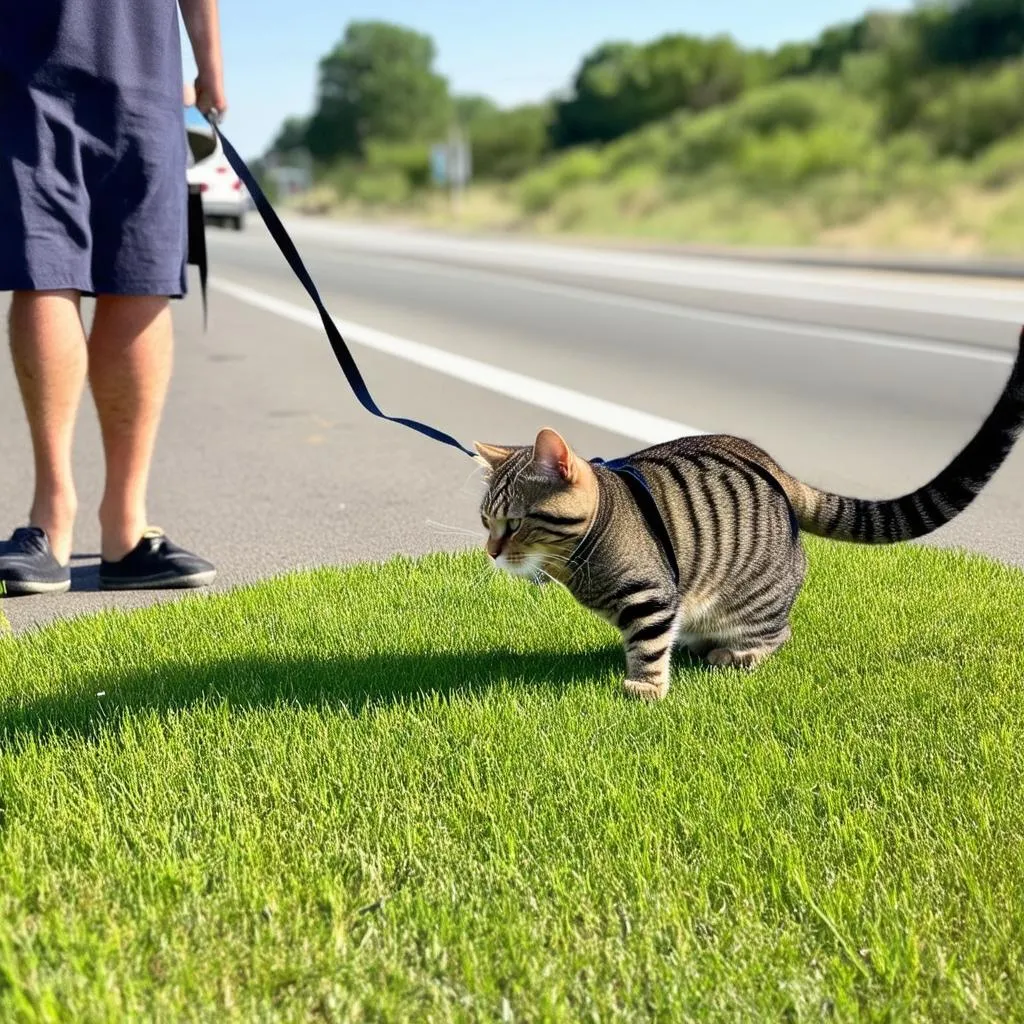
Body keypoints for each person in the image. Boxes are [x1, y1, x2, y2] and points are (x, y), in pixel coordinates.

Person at [0, 0, 226, 596]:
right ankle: (58, 522)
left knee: (137, 275)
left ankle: (115, 529)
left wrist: (209, 68)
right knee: (49, 271)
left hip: (134, 73)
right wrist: (210, 70)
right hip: (30, 63)